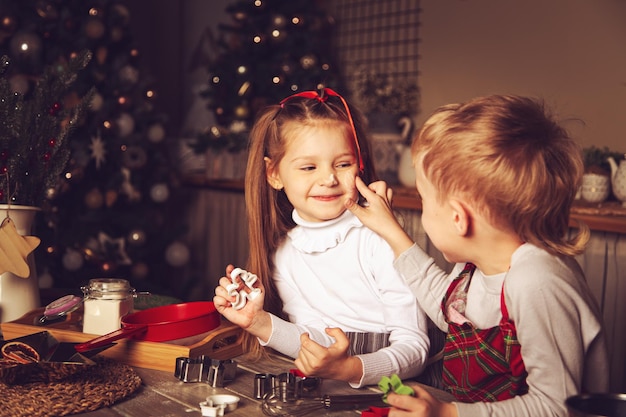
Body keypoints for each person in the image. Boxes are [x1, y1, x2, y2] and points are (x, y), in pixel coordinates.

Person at [346, 95, 609, 416]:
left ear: (459, 218)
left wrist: (447, 413)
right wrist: (390, 230)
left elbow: (556, 407)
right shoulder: (476, 265)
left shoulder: (536, 280)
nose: (423, 208)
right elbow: (449, 314)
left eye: (424, 200)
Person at [213, 87, 430, 388]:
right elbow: (314, 341)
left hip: (403, 387)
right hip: (338, 384)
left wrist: (352, 369)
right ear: (273, 174)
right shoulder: (285, 254)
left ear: (360, 164)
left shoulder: (378, 238)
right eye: (309, 167)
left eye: (343, 164)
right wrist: (259, 322)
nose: (328, 178)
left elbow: (415, 349)